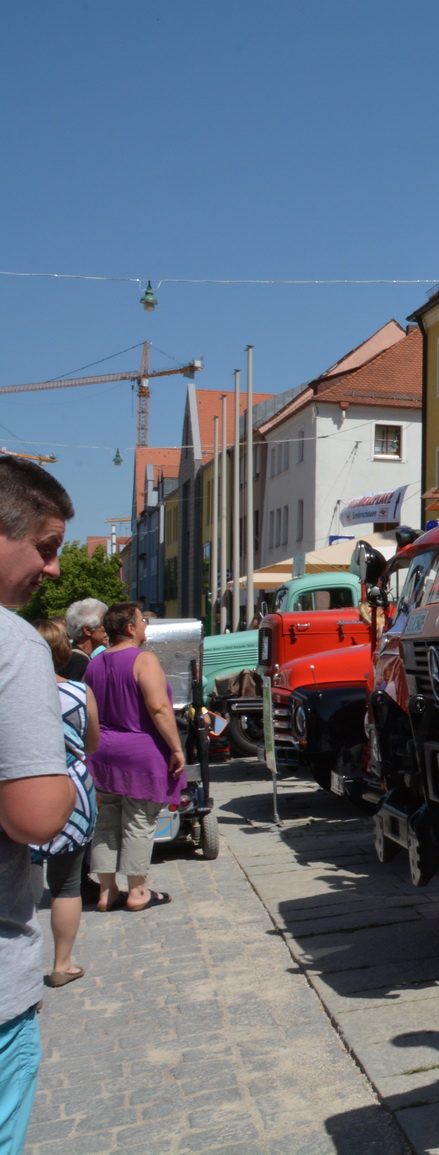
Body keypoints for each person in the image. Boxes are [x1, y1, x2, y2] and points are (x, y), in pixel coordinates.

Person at [0, 457, 79, 1149]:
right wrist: (68, 778)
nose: (52, 569)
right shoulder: (13, 645)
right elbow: (35, 815)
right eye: (46, 548)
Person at [85, 602, 183, 914]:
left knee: (106, 822)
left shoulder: (94, 664)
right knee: (139, 821)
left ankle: (106, 890)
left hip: (102, 752)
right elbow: (159, 708)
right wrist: (176, 748)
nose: (145, 626)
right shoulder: (143, 659)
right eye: (142, 621)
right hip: (139, 752)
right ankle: (138, 890)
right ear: (130, 628)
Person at [31, 621, 97, 988]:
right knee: (66, 885)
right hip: (70, 788)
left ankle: (21, 975)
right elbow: (91, 744)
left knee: (18, 888)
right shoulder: (78, 691)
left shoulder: (8, 691)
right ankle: (62, 964)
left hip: (19, 788)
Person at [62, 598, 108, 683]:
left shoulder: (70, 653)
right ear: (87, 631)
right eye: (103, 624)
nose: (108, 628)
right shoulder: (79, 661)